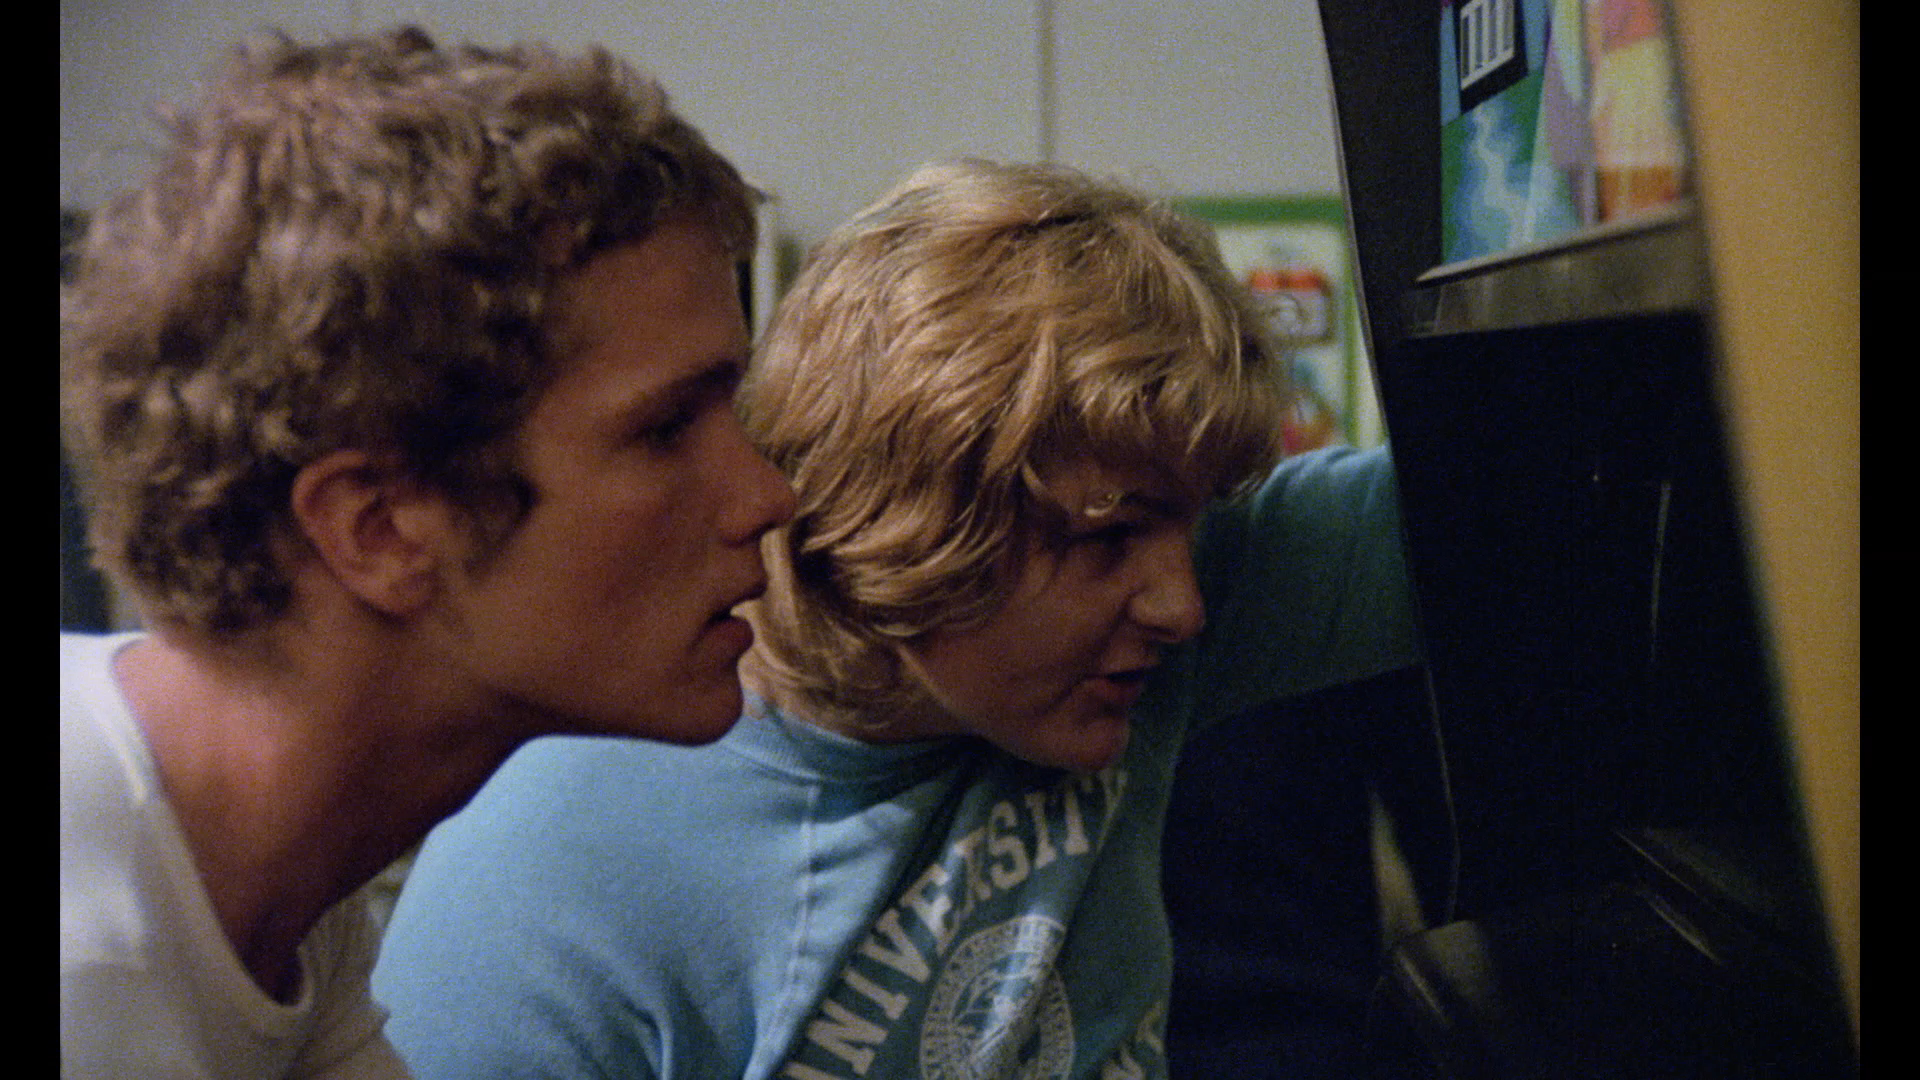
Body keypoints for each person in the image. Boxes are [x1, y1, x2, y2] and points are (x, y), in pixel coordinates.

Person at [372, 158, 1421, 1079]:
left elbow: (1494, 490)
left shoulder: (1139, 629)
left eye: (1188, 524)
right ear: (913, 516)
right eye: (1108, 537)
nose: (1181, 605)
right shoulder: (547, 898)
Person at [59, 26, 795, 1078]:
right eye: (665, 430)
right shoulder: (88, 974)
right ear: (380, 527)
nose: (767, 498)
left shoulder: (279, 874)